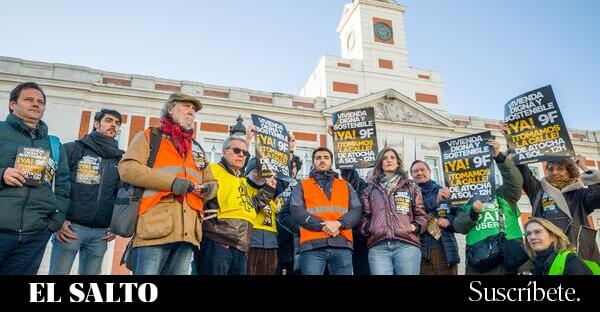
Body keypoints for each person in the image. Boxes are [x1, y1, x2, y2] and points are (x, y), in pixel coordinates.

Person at [119, 92, 217, 275]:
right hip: (154, 229)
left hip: (188, 232)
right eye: (186, 106)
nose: (191, 112)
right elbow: (127, 169)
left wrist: (210, 189)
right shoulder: (149, 137)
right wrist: (174, 183)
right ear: (170, 109)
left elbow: (211, 180)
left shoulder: (196, 148)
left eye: (194, 109)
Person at [0, 82, 70, 275]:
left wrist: (54, 222)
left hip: (34, 235)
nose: (36, 104)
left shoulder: (54, 144)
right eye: (29, 100)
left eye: (40, 101)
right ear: (12, 104)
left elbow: (64, 186)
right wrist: (2, 173)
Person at [49, 109, 124, 275]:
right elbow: (54, 185)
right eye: (109, 120)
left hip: (101, 234)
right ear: (96, 124)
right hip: (70, 228)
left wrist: (116, 224)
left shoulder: (120, 159)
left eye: (117, 123)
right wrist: (58, 219)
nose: (113, 125)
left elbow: (121, 194)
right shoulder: (72, 149)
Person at [196, 134, 277, 275]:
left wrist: (269, 189)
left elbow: (251, 207)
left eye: (245, 153)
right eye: (237, 151)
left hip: (241, 246)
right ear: (223, 151)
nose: (241, 155)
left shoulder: (242, 180)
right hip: (218, 242)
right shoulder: (212, 170)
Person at [343, 148, 426, 275]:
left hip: (406, 245)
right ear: (380, 163)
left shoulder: (411, 186)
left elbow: (421, 214)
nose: (389, 160)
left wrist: (413, 227)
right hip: (378, 248)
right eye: (385, 158)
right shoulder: (369, 190)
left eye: (392, 158)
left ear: (398, 162)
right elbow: (365, 216)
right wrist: (368, 229)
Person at [453, 140, 528, 275]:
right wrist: (473, 212)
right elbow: (458, 226)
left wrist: (499, 157)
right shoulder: (463, 201)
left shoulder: (504, 194)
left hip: (510, 253)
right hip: (480, 258)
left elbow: (515, 182)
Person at [290, 147, 362, 275]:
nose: (322, 160)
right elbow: (297, 211)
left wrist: (339, 224)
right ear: (313, 163)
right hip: (312, 245)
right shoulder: (302, 185)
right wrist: (326, 226)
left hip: (342, 243)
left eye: (326, 157)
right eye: (318, 158)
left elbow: (356, 210)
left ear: (331, 162)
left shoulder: (345, 185)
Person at [517, 155, 600, 263]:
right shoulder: (538, 190)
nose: (555, 172)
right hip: (548, 250)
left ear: (570, 171)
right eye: (551, 169)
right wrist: (515, 148)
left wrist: (584, 167)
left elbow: (597, 196)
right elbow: (523, 172)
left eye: (560, 169)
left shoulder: (579, 193)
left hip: (577, 248)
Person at [246, 133, 295, 275]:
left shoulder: (271, 190)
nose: (259, 174)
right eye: (256, 171)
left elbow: (285, 179)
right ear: (247, 172)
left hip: (271, 244)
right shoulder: (242, 185)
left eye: (263, 172)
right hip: (249, 242)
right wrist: (248, 141)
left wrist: (289, 151)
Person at [410, 160, 460, 275]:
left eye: (422, 169)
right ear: (411, 175)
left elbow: (458, 216)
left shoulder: (445, 192)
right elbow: (414, 211)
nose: (419, 173)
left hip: (445, 248)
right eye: (415, 171)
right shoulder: (409, 194)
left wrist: (449, 221)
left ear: (430, 171)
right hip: (421, 250)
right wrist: (436, 200)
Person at [524, 217, 594, 275]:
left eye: (538, 232)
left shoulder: (571, 261)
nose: (532, 237)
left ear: (553, 236)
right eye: (528, 234)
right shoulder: (533, 265)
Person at [276, 154, 302, 275]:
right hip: (278, 231)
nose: (292, 169)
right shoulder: (275, 183)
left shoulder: (302, 185)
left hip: (296, 233)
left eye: (294, 166)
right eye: (288, 166)